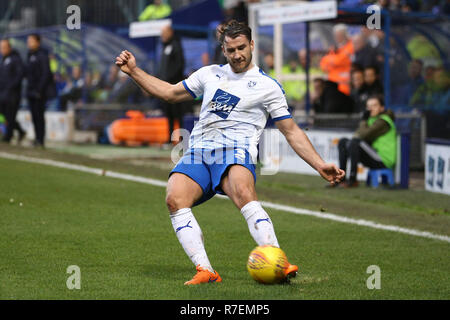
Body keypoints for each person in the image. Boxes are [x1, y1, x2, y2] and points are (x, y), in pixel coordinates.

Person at [115, 20, 345, 285]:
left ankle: (277, 262)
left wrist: (319, 165)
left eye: (242, 48)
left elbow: (291, 131)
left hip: (235, 150)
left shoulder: (267, 86)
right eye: (231, 50)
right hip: (200, 150)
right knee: (174, 199)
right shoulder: (209, 74)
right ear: (223, 50)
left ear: (252, 45)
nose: (237, 55)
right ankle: (206, 271)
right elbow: (168, 93)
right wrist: (133, 71)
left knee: (244, 192)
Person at [337, 94, 397, 188]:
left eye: (374, 106)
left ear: (382, 108)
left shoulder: (383, 121)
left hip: (383, 160)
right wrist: (365, 122)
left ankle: (353, 180)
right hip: (373, 155)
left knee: (355, 142)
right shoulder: (372, 119)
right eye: (368, 106)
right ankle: (341, 179)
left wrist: (363, 120)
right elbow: (357, 135)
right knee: (343, 142)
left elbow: (362, 135)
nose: (370, 109)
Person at [157, 25, 186, 144]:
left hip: (174, 86)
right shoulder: (165, 47)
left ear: (170, 32)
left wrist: (170, 80)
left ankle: (182, 139)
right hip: (165, 86)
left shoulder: (176, 45)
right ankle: (170, 139)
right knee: (168, 113)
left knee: (178, 113)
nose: (162, 35)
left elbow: (180, 65)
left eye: (164, 32)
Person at [26, 34, 53, 147]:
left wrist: (39, 90)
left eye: (31, 41)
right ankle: (37, 138)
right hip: (31, 91)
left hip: (39, 92)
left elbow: (46, 73)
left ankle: (41, 140)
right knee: (34, 116)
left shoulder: (42, 55)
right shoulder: (29, 55)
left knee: (39, 115)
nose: (29, 43)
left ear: (38, 42)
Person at [0, 39, 26, 144]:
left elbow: (19, 75)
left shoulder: (15, 59)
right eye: (1, 47)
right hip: (3, 93)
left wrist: (10, 87)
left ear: (9, 47)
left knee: (10, 115)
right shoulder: (3, 60)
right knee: (4, 115)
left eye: (4, 47)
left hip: (12, 94)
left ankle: (8, 137)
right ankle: (20, 131)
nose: (2, 49)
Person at [319, 24, 354, 95]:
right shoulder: (334, 48)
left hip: (345, 86)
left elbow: (338, 61)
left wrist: (332, 61)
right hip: (332, 85)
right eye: (336, 35)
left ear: (345, 34)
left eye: (340, 34)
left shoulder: (351, 46)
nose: (337, 37)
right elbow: (323, 63)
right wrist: (333, 61)